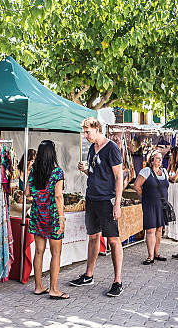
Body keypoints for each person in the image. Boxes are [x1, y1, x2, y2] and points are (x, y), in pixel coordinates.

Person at [71, 117, 124, 297]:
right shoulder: (92, 149)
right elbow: (96, 173)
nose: (85, 135)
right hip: (92, 198)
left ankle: (117, 281)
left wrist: (117, 203)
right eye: (84, 132)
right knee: (93, 237)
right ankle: (89, 275)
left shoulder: (111, 148)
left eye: (87, 132)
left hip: (106, 200)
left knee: (113, 240)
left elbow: (119, 177)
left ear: (97, 129)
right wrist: (85, 171)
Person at [26, 140, 67, 299]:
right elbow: (58, 196)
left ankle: (38, 286)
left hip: (37, 215)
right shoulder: (57, 172)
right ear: (53, 153)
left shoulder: (33, 172)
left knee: (38, 252)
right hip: (52, 216)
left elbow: (27, 193)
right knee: (56, 253)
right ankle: (53, 289)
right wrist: (62, 218)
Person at [134, 150, 169, 264]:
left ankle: (156, 253)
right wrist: (145, 197)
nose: (160, 160)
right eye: (157, 158)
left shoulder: (164, 171)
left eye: (161, 158)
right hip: (150, 204)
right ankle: (150, 256)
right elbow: (137, 186)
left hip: (161, 205)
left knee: (159, 229)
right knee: (150, 229)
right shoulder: (146, 171)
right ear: (152, 160)